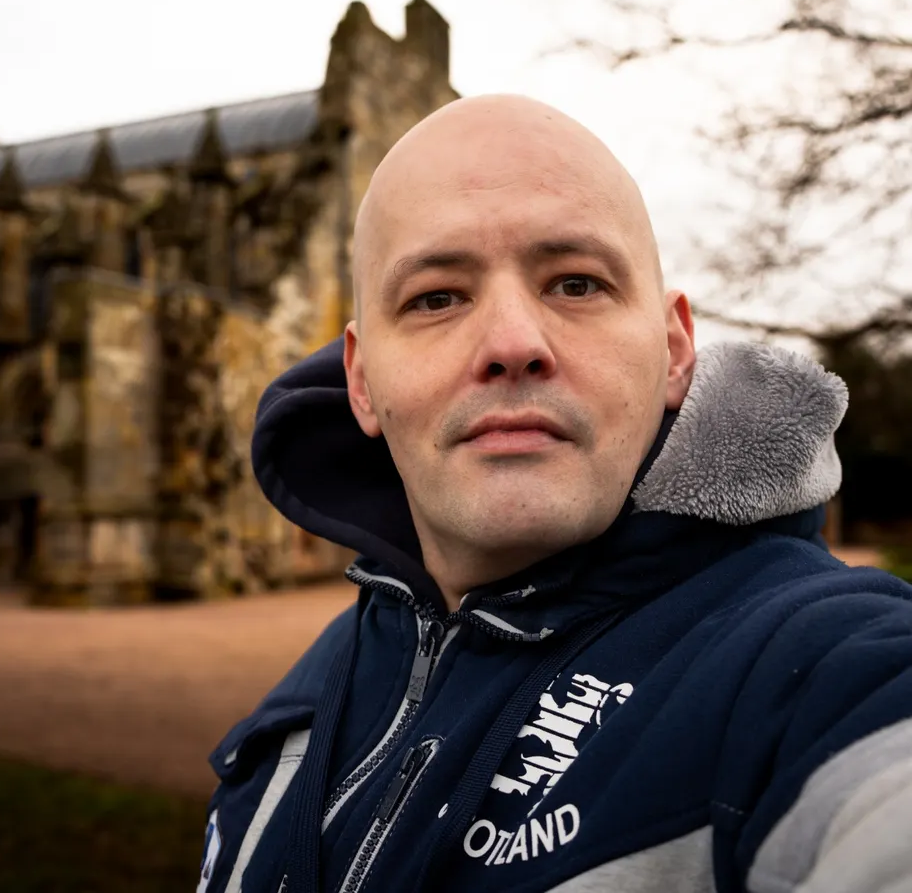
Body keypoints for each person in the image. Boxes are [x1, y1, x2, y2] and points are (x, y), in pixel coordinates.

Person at [196, 96, 912, 893]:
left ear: (675, 349)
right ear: (360, 380)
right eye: (437, 297)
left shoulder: (824, 667)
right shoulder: (320, 681)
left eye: (576, 283)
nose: (513, 344)